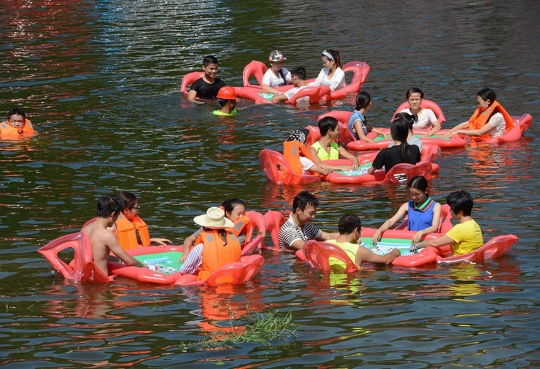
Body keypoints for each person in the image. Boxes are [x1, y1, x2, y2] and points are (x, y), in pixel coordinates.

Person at [81, 195, 147, 276]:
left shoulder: (85, 229)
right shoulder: (107, 236)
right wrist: (143, 265)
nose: (117, 219)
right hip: (101, 283)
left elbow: (96, 256)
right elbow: (129, 261)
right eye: (118, 215)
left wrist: (117, 260)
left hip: (85, 277)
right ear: (112, 214)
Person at [372, 176, 442, 244]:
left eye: (417, 194)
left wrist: (421, 232)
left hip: (427, 240)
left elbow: (434, 227)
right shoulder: (407, 206)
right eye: (411, 194)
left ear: (426, 191)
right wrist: (379, 230)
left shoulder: (436, 206)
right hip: (411, 239)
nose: (413, 197)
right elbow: (391, 221)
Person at [410, 190, 483, 256]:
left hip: (460, 267)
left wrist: (416, 246)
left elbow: (435, 243)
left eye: (451, 208)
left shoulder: (460, 228)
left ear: (460, 211)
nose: (450, 211)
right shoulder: (474, 224)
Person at [181, 199, 249, 262]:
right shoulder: (210, 226)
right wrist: (186, 253)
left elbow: (224, 252)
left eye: (243, 214)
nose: (241, 217)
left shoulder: (240, 235)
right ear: (228, 214)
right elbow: (189, 239)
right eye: (238, 214)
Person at [179, 207, 241, 276]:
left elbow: (184, 270)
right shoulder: (234, 241)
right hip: (233, 279)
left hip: (209, 283)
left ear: (204, 227)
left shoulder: (201, 247)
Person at [327, 215, 400, 270]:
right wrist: (395, 251)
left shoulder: (327, 244)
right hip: (351, 287)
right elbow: (386, 260)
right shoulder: (359, 250)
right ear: (356, 231)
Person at [442, 88, 514, 140]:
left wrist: (458, 131)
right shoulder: (484, 112)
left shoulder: (497, 117)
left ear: (488, 101)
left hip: (493, 147)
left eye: (479, 103)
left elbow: (480, 133)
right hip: (484, 141)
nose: (478, 106)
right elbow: (467, 123)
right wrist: (450, 132)